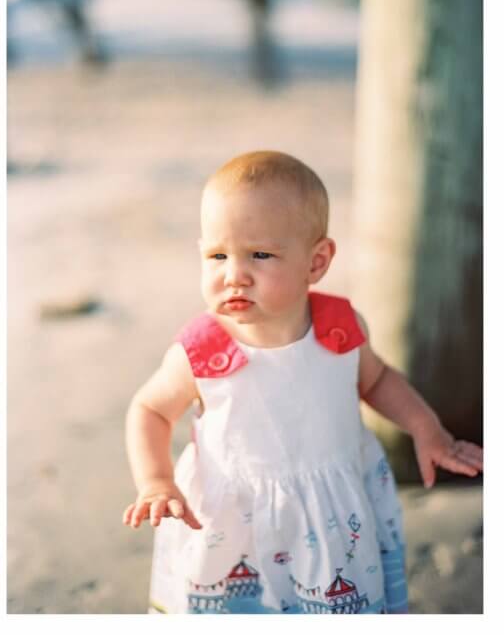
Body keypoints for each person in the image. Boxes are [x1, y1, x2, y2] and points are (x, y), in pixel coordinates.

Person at [122, 150, 483, 614]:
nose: (234, 275)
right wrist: (155, 480)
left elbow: (376, 381)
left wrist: (426, 428)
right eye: (217, 255)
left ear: (316, 262)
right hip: (235, 522)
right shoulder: (203, 349)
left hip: (329, 516)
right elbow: (149, 409)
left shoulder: (339, 328)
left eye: (260, 254)